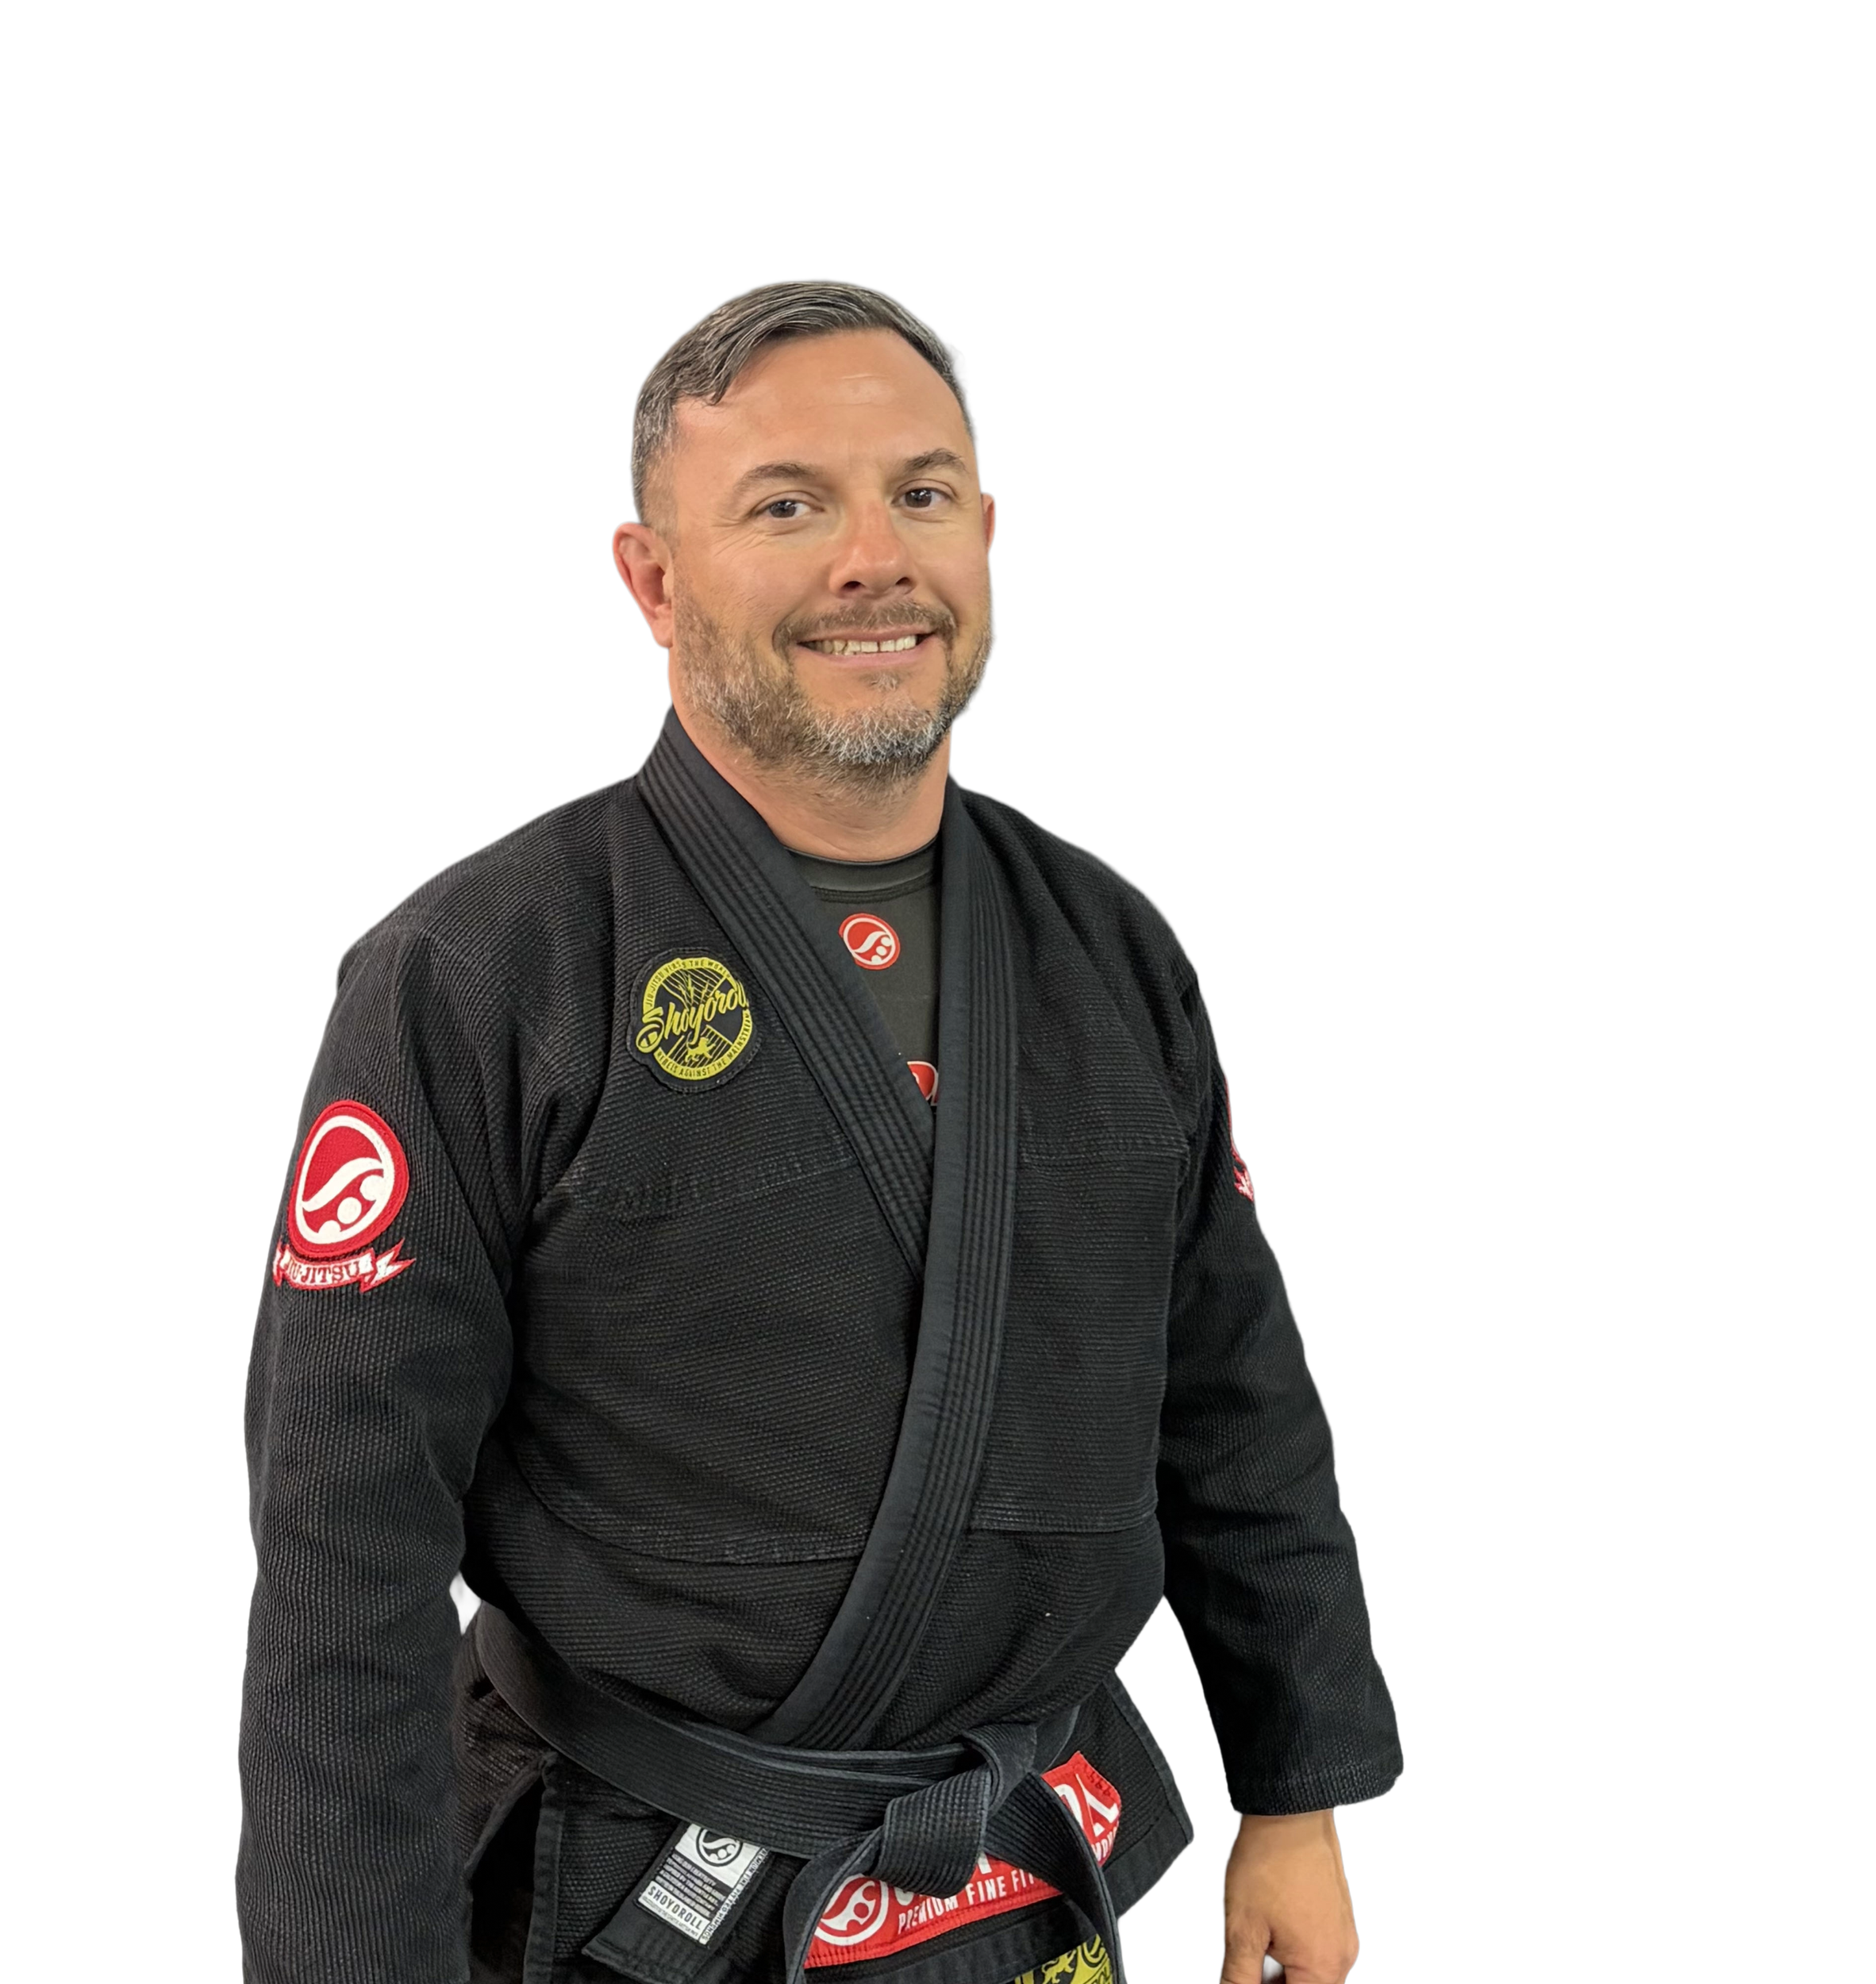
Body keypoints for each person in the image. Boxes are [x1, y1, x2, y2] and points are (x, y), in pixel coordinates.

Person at [237, 282, 1401, 1984]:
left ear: (985, 533)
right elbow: (349, 1539)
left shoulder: (1105, 946)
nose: (874, 557)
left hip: (1018, 1865)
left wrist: (1293, 1789)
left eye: (919, 494)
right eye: (786, 505)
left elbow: (1229, 1390)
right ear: (650, 576)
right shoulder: (486, 969)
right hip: (639, 1900)